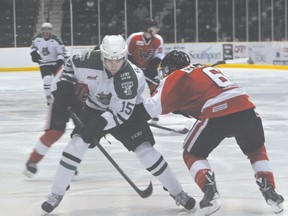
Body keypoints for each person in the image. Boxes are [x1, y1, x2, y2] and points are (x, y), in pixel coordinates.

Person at [40, 35, 195, 215]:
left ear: (125, 56)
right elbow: (69, 64)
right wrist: (66, 84)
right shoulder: (86, 60)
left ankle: (178, 193)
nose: (114, 65)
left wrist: (98, 125)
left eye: (119, 60)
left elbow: (120, 114)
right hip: (94, 109)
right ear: (101, 55)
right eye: (109, 60)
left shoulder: (132, 77)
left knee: (146, 151)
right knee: (75, 146)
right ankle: (56, 194)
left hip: (127, 113)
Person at [142, 50, 284, 215]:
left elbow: (153, 107)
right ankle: (271, 192)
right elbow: (191, 102)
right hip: (246, 108)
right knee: (256, 150)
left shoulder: (177, 75)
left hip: (218, 111)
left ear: (170, 68)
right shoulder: (202, 69)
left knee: (192, 153)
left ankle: (210, 193)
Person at [23, 69, 86, 178]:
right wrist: (64, 99)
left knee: (84, 135)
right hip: (60, 98)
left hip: (81, 102)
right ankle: (33, 160)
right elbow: (56, 85)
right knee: (55, 132)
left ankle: (69, 163)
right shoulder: (76, 63)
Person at [30, 22, 66, 105]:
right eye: (44, 29)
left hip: (55, 63)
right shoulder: (37, 38)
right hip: (44, 64)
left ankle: (59, 97)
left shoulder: (56, 40)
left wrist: (59, 61)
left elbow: (61, 52)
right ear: (42, 30)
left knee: (59, 81)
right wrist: (34, 54)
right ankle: (48, 97)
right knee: (47, 79)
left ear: (51, 30)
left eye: (48, 29)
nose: (46, 31)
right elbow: (33, 48)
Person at [126, 18, 164, 95]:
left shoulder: (158, 39)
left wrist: (150, 69)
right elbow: (126, 53)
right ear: (149, 28)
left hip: (149, 70)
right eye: (155, 27)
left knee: (155, 88)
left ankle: (154, 103)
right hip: (134, 69)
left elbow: (159, 56)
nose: (157, 29)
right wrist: (134, 67)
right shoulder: (134, 37)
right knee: (131, 88)